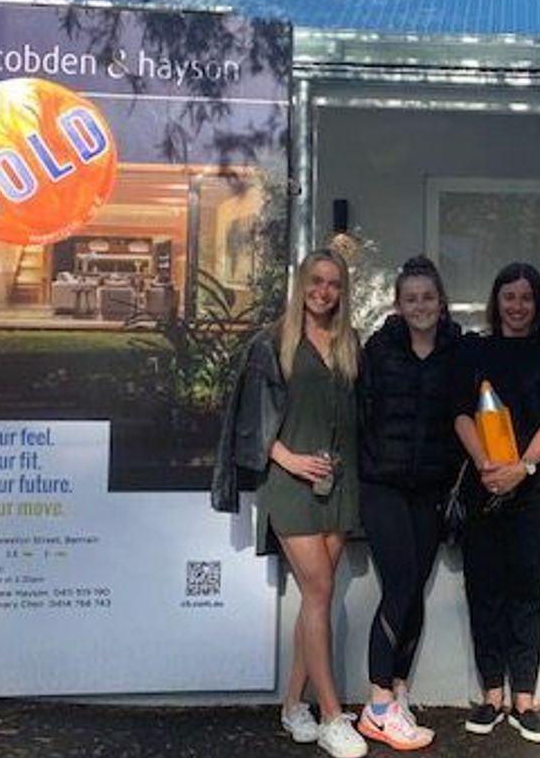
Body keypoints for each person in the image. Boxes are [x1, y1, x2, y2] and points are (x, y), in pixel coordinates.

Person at [211, 249, 367, 758]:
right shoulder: (271, 343)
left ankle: (291, 706)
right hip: (291, 485)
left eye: (334, 284)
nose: (324, 291)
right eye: (317, 281)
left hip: (338, 487)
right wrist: (291, 461)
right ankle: (330, 716)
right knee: (320, 590)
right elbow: (249, 422)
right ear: (302, 284)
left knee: (315, 599)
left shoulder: (349, 343)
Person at [453, 263, 540, 745]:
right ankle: (492, 695)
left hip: (533, 490)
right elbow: (460, 414)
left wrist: (520, 469)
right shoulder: (475, 351)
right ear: (496, 301)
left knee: (527, 591)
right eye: (509, 297)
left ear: (537, 302)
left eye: (526, 298)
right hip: (482, 488)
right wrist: (487, 467)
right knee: (485, 592)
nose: (517, 306)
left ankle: (525, 698)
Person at [355, 256, 465, 751]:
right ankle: (376, 706)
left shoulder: (457, 352)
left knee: (414, 591)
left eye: (428, 297)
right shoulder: (379, 350)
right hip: (383, 486)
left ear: (441, 303)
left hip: (431, 490)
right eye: (411, 298)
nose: (420, 305)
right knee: (398, 586)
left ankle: (397, 695)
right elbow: (358, 413)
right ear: (399, 306)